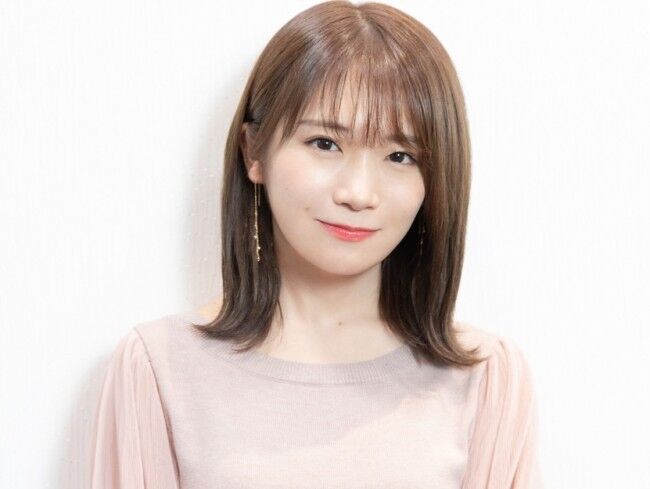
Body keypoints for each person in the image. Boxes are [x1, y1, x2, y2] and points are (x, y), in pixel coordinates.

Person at [89, 1, 543, 487]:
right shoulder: (159, 369)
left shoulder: (485, 379)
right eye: (325, 143)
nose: (358, 193)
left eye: (400, 155)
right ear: (254, 152)